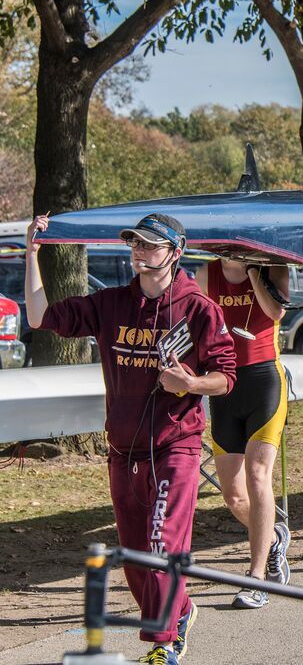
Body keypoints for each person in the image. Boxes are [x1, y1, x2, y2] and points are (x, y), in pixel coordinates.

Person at [25, 213, 236, 665]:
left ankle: (163, 646)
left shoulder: (199, 309)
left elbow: (225, 379)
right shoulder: (111, 303)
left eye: (151, 245)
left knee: (163, 545)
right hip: (123, 450)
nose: (140, 252)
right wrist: (32, 254)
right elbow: (40, 316)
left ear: (175, 252)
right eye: (135, 244)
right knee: (137, 559)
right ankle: (180, 611)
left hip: (176, 447)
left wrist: (190, 385)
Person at [195, 258, 291, 609]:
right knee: (234, 496)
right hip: (225, 387)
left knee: (257, 475)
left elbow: (275, 312)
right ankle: (274, 537)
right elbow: (197, 324)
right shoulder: (207, 274)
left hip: (264, 380)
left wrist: (253, 273)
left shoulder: (272, 269)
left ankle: (256, 577)